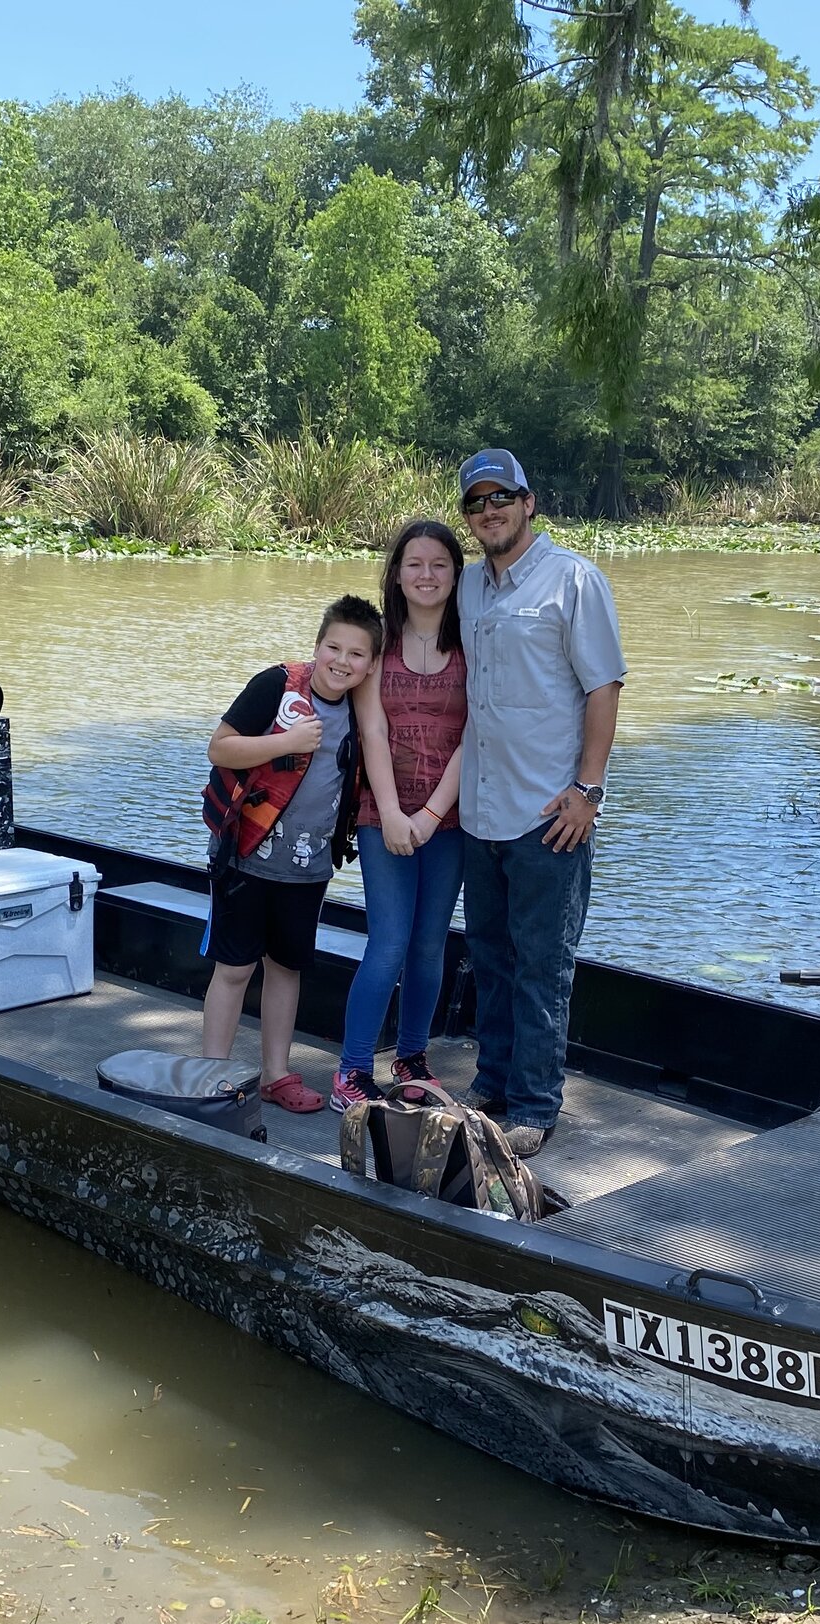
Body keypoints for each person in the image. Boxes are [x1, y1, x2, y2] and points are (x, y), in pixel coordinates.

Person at [453, 447, 625, 1158]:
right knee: (488, 957)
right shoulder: (466, 587)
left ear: (529, 502)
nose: (489, 509)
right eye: (476, 501)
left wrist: (588, 791)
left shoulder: (573, 580)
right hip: (480, 809)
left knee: (543, 964)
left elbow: (604, 686)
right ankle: (492, 1080)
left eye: (502, 496)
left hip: (548, 813)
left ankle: (532, 1102)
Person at [198, 595, 384, 1113]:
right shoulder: (276, 684)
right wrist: (287, 742)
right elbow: (221, 748)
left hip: (308, 869)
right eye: (333, 647)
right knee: (234, 968)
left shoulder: (363, 710)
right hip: (245, 855)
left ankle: (275, 1074)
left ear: (372, 664)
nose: (342, 662)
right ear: (317, 644)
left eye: (357, 654)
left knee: (286, 967)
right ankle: (214, 1076)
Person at [332, 519, 470, 1112]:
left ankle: (412, 1060)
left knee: (430, 945)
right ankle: (352, 1071)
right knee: (388, 941)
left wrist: (433, 811)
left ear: (456, 574)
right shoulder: (377, 642)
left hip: (453, 815)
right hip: (381, 811)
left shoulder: (474, 642)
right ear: (396, 573)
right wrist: (390, 812)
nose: (426, 575)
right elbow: (372, 729)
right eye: (414, 563)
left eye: (439, 564)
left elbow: (478, 732)